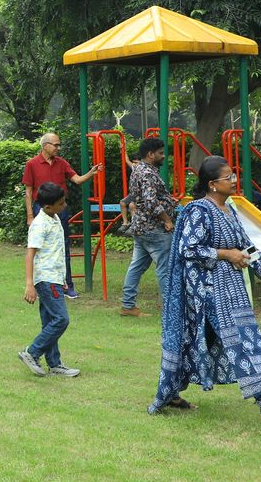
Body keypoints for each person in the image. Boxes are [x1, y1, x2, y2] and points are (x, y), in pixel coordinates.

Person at [148, 156, 261, 425]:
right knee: (244, 341)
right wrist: (226, 254)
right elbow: (189, 249)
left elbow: (249, 248)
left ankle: (170, 394)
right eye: (228, 177)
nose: (234, 181)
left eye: (234, 176)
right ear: (212, 184)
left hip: (231, 288)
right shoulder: (199, 210)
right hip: (207, 290)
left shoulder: (228, 209)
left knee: (197, 340)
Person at [22, 133, 102, 298]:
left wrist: (91, 173)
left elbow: (77, 180)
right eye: (55, 145)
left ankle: (67, 285)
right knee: (39, 247)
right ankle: (39, 285)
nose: (58, 148)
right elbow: (28, 192)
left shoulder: (62, 163)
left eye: (59, 145)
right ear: (45, 145)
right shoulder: (32, 164)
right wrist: (30, 215)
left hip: (60, 209)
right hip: (40, 208)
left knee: (62, 245)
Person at [19, 183, 79, 377]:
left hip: (54, 278)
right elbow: (30, 254)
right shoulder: (39, 224)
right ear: (47, 206)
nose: (64, 205)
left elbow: (55, 252)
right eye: (60, 203)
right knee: (61, 319)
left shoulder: (54, 217)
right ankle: (32, 352)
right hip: (46, 279)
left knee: (50, 322)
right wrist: (29, 284)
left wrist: (63, 278)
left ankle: (54, 364)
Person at [118, 137, 176, 317]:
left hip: (140, 227)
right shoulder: (148, 173)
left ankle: (128, 305)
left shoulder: (137, 170)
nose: (163, 156)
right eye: (160, 153)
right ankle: (170, 310)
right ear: (151, 154)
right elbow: (150, 201)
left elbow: (143, 198)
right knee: (165, 269)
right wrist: (167, 220)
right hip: (155, 229)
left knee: (136, 267)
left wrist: (167, 200)